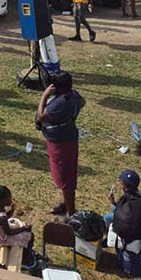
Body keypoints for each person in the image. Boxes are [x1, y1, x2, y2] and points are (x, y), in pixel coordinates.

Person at [36, 72, 85, 216]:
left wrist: (44, 96)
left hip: (61, 143)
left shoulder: (60, 103)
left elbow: (41, 116)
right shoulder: (74, 95)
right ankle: (66, 203)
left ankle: (71, 211)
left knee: (65, 178)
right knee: (66, 175)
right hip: (67, 137)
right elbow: (83, 102)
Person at [110, 169, 141, 276]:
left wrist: (113, 203)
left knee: (107, 217)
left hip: (128, 236)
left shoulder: (126, 201)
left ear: (124, 187)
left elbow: (119, 217)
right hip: (138, 234)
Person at [0, 185, 33, 252]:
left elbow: (5, 218)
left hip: (0, 233)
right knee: (30, 235)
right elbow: (9, 232)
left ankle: (25, 250)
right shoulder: (1, 218)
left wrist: (12, 210)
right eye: (9, 198)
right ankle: (26, 254)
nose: (11, 199)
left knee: (24, 227)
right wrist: (23, 229)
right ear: (2, 200)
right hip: (4, 240)